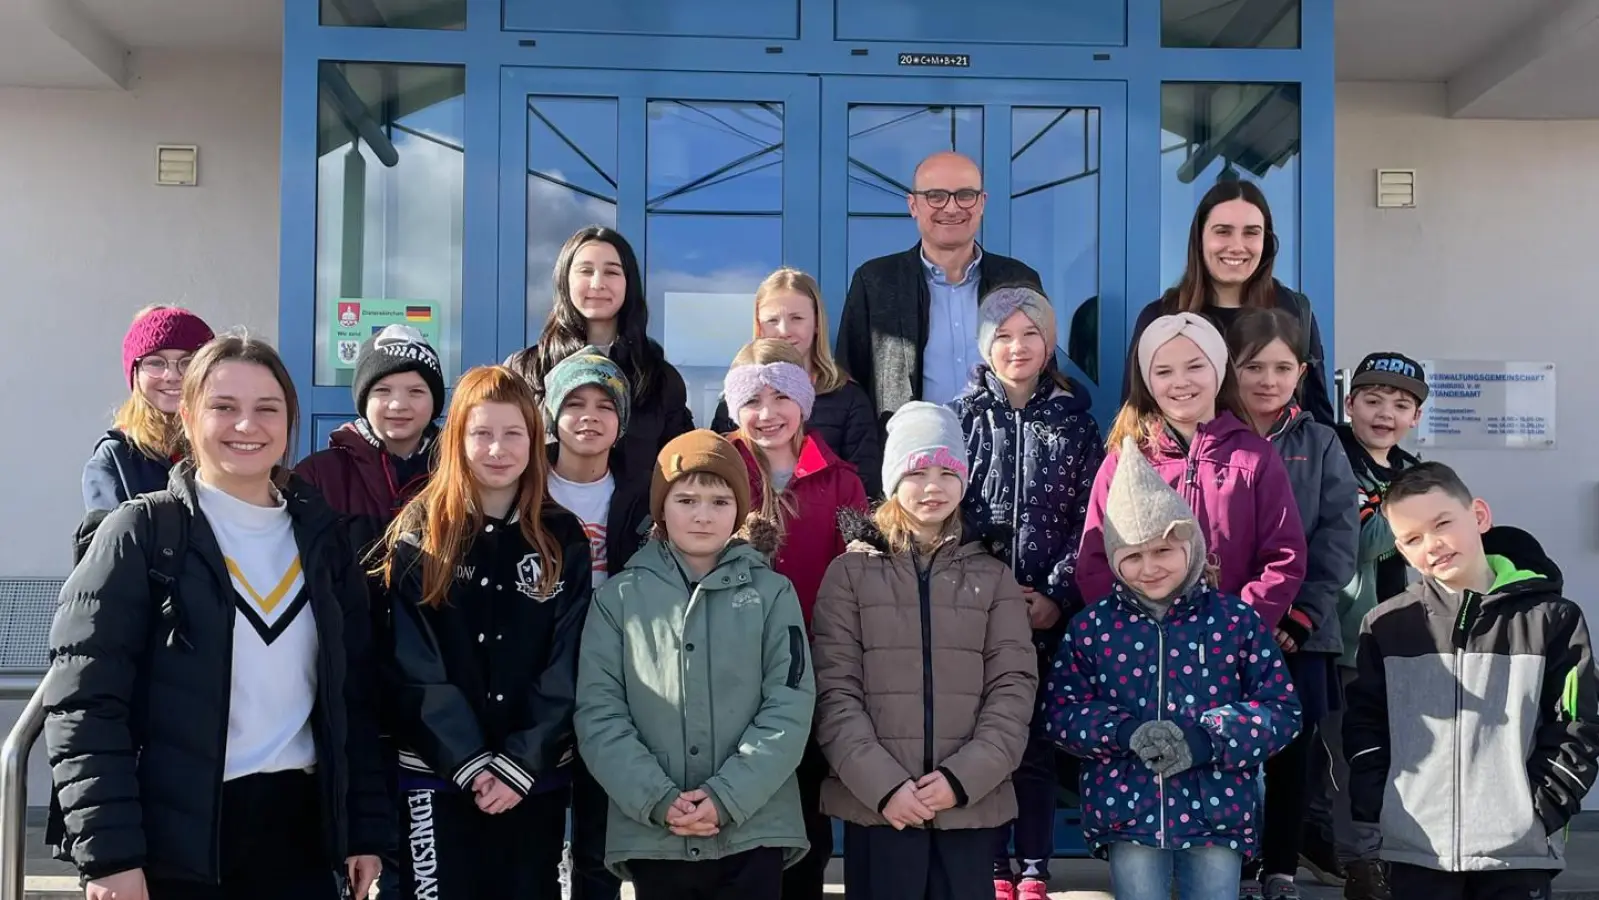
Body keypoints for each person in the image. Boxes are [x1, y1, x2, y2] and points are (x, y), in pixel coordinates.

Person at [46, 334, 389, 899]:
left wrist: (364, 828)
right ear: (188, 414)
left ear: (289, 420)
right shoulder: (143, 534)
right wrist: (110, 857)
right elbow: (84, 704)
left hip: (299, 840)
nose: (246, 426)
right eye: (224, 407)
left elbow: (353, 697)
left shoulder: (323, 539)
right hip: (175, 848)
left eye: (266, 409)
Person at [1043, 436, 1301, 900]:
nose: (1149, 568)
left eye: (1163, 551)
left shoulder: (1234, 620)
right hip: (1128, 813)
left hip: (1217, 812)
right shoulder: (1093, 627)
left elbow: (1281, 710)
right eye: (1133, 557)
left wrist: (1206, 739)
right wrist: (1124, 734)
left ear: (1191, 546)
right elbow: (1062, 711)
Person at [381, 365, 593, 899]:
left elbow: (568, 658)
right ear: (457, 439)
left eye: (513, 433)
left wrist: (521, 760)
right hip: (437, 772)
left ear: (534, 438)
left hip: (533, 776)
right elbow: (411, 661)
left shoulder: (561, 535)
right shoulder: (421, 530)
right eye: (482, 433)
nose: (497, 449)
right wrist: (469, 761)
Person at [811, 402, 1038, 900]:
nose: (932, 486)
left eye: (946, 471)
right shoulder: (850, 573)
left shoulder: (992, 575)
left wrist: (962, 778)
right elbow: (834, 689)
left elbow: (1013, 686)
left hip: (967, 805)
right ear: (894, 479)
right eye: (917, 471)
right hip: (881, 809)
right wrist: (885, 785)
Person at [575, 430, 814, 899]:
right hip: (658, 831)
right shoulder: (618, 600)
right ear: (661, 509)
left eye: (720, 501)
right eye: (686, 499)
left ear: (739, 511)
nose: (703, 515)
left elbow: (790, 704)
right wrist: (659, 799)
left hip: (754, 824)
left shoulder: (772, 594)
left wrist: (728, 795)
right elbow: (599, 714)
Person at [1344, 462, 1599, 900]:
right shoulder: (1386, 625)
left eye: (1442, 522)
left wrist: (1542, 808)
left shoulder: (1553, 619)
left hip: (1519, 855)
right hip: (1416, 850)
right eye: (1412, 539)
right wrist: (1382, 801)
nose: (1432, 544)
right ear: (1400, 551)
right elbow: (1365, 721)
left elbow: (1578, 724)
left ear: (1478, 516)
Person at [949, 285, 1104, 900]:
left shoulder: (1078, 426)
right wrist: (984, 588)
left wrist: (1057, 595)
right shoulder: (960, 418)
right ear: (987, 346)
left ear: (1049, 346)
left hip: (1047, 618)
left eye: (1030, 335)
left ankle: (1035, 863)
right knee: (987, 741)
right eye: (1004, 335)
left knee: (1036, 747)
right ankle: (992, 864)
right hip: (977, 616)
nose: (1017, 347)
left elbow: (1093, 521)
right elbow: (945, 510)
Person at [720, 337, 867, 900]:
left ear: (804, 401)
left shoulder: (841, 478)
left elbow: (855, 574)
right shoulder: (720, 465)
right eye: (753, 399)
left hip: (809, 666)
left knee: (806, 805)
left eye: (781, 395)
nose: (767, 413)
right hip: (729, 667)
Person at [1227, 309, 1360, 900]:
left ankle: (1279, 864)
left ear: (1302, 372)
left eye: (1282, 367)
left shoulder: (1322, 441)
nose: (1267, 379)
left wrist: (1299, 616)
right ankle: (1228, 860)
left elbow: (1338, 535)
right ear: (1230, 369)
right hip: (1224, 629)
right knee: (1226, 748)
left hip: (1302, 633)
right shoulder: (1211, 436)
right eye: (1253, 366)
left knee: (1290, 753)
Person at [1077, 312, 1307, 631]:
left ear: (1219, 371)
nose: (1181, 381)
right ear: (1146, 380)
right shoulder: (1123, 461)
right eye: (1164, 371)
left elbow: (1283, 556)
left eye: (1195, 366)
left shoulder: (1255, 457)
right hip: (1143, 650)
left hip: (1230, 646)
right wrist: (1129, 631)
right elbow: (1094, 560)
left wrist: (1238, 627)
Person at [1304, 351, 1427, 900]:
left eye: (1401, 405)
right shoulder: (1334, 461)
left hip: (1411, 643)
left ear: (1416, 417)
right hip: (1347, 643)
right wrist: (1410, 517)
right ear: (1348, 403)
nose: (1385, 414)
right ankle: (1362, 864)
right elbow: (1352, 545)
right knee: (1351, 760)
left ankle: (1397, 856)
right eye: (1373, 400)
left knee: (1407, 757)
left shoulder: (1412, 472)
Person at [539, 347, 651, 900]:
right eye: (575, 403)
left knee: (599, 844)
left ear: (620, 420)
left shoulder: (641, 496)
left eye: (604, 405)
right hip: (535, 681)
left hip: (613, 682)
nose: (589, 416)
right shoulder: (526, 487)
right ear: (553, 414)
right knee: (532, 837)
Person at [835, 151, 1042, 418]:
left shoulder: (1019, 280)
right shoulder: (875, 282)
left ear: (982, 203)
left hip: (1005, 453)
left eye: (965, 195)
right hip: (910, 454)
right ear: (913, 206)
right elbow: (849, 384)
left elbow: (1045, 375)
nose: (952, 208)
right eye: (936, 196)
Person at [1123, 180, 1335, 426]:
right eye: (1223, 231)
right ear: (1199, 238)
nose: (1237, 246)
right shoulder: (1160, 317)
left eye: (1251, 232)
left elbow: (1319, 420)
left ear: (1265, 240)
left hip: (1280, 464)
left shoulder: (1294, 312)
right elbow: (1134, 418)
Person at [508, 225, 694, 486]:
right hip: (543, 522)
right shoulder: (526, 370)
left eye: (611, 272)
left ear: (629, 283)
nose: (597, 283)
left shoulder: (659, 378)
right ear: (565, 280)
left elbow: (683, 470)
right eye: (585, 271)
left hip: (634, 525)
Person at [710, 267, 884, 496]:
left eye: (797, 318)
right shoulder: (736, 397)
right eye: (772, 320)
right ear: (759, 326)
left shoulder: (848, 398)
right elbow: (716, 473)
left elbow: (863, 486)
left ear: (817, 324)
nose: (784, 331)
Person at [296, 324, 444, 558]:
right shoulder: (317, 475)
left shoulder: (458, 472)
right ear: (364, 398)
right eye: (383, 391)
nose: (398, 404)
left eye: (416, 391)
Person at [83, 305, 215, 511]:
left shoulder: (226, 443)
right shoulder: (116, 458)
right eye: (155, 363)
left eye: (187, 362)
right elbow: (109, 541)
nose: (172, 376)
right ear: (135, 374)